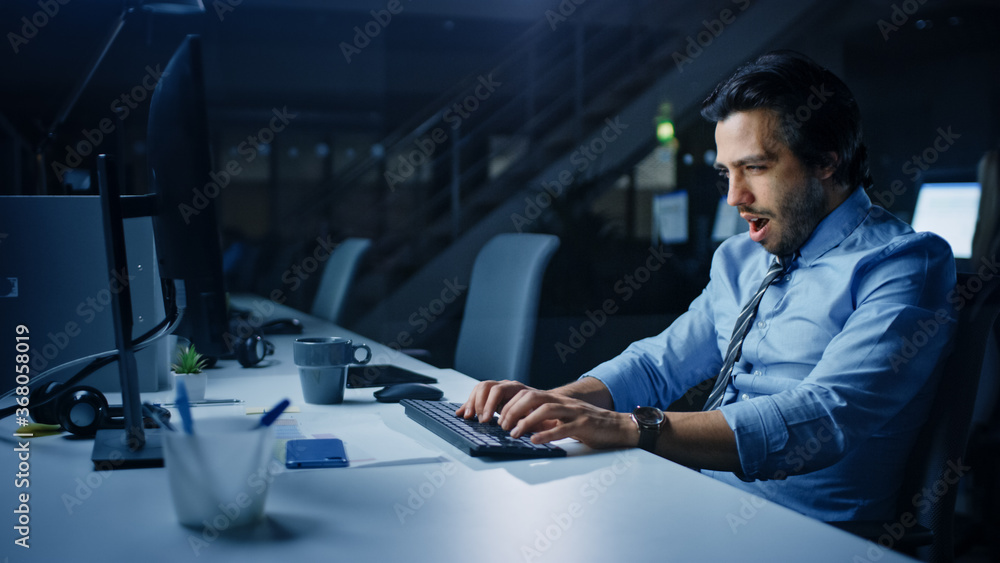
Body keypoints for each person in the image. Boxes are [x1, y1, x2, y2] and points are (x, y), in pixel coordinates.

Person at [457, 50, 957, 523]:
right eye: (727, 174)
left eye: (756, 168)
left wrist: (626, 428)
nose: (736, 197)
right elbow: (658, 364)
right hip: (698, 501)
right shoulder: (741, 258)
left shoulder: (905, 263)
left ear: (826, 160)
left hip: (802, 535)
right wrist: (553, 403)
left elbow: (827, 417)